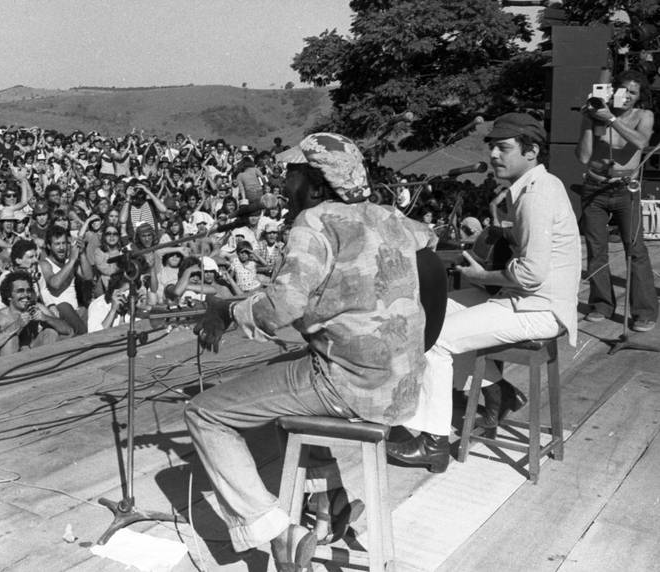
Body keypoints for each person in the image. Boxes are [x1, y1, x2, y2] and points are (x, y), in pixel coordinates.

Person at [185, 132, 435, 571]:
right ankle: (332, 500)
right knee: (280, 386)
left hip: (347, 381)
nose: (283, 185)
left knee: (205, 413)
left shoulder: (314, 222)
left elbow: (281, 308)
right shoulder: (388, 215)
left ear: (318, 186)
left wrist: (227, 310)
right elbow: (428, 242)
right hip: (400, 382)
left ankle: (278, 533)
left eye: (292, 175)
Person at [391, 113, 581, 471]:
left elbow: (532, 273)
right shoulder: (532, 188)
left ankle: (432, 441)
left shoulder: (537, 196)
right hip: (525, 299)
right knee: (435, 314)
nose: (495, 154)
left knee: (436, 339)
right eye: (492, 147)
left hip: (540, 309)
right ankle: (499, 394)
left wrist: (484, 276)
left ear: (532, 151)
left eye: (504, 148)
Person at [577, 70, 657, 331]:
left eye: (633, 92)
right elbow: (584, 156)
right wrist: (589, 122)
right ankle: (601, 304)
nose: (628, 96)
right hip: (595, 185)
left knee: (635, 249)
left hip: (625, 187)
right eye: (624, 90)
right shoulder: (597, 114)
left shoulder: (643, 116)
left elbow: (640, 141)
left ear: (639, 96)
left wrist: (610, 118)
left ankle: (644, 311)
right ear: (613, 90)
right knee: (596, 248)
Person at [0, 270, 73, 357]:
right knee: (11, 340)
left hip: (34, 355)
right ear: (9, 295)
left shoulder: (38, 307)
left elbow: (69, 331)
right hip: (9, 364)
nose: (26, 294)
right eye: (20, 291)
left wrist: (46, 318)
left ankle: (47, 366)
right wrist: (17, 325)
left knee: (50, 332)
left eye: (28, 290)